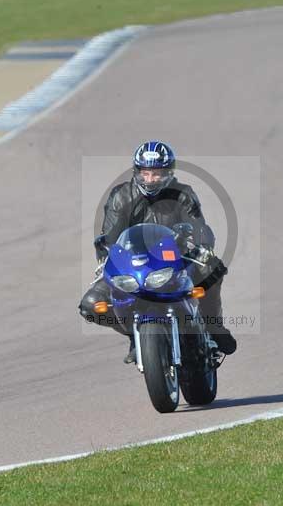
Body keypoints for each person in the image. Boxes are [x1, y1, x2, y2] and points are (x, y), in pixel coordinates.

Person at [79, 141, 237, 363]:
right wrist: (106, 256)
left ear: (168, 173)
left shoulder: (183, 194)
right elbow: (111, 237)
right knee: (91, 304)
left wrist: (202, 246)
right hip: (134, 266)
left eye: (157, 174)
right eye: (145, 173)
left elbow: (199, 227)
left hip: (175, 260)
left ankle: (212, 324)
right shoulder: (121, 196)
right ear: (137, 172)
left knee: (213, 268)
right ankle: (135, 336)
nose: (150, 179)